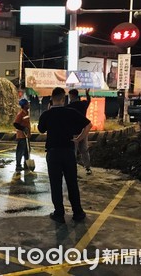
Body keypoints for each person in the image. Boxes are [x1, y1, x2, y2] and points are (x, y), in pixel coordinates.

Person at [38, 87, 92, 223]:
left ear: (51, 99)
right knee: (72, 183)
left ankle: (59, 213)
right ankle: (78, 212)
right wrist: (79, 139)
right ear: (63, 99)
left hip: (53, 153)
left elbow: (41, 130)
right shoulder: (71, 112)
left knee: (55, 184)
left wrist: (48, 110)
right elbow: (88, 125)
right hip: (68, 152)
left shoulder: (47, 114)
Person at [67, 88, 92, 175]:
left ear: (71, 96)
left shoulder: (69, 107)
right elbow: (89, 100)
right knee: (84, 150)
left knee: (73, 151)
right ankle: (88, 168)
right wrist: (87, 94)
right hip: (83, 131)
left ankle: (73, 170)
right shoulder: (83, 104)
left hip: (73, 132)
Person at [13, 99, 31, 172]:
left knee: (27, 151)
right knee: (20, 151)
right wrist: (23, 129)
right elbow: (15, 124)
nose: (29, 105)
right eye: (27, 104)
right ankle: (18, 165)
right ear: (24, 105)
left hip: (27, 136)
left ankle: (26, 164)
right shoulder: (20, 114)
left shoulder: (26, 113)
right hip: (22, 136)